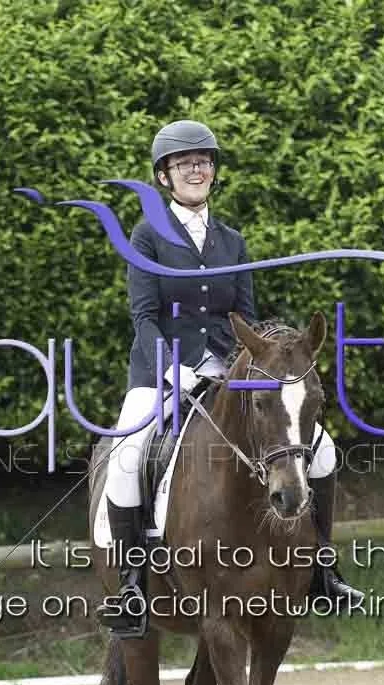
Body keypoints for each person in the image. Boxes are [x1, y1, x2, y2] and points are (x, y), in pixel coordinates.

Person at [96, 119, 363, 632]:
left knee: (323, 450)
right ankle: (131, 584)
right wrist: (172, 370)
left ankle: (322, 570)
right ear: (164, 177)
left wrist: (255, 359)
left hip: (227, 371)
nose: (196, 170)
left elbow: (245, 316)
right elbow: (144, 317)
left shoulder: (231, 241)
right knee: (128, 457)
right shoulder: (147, 236)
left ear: (214, 171)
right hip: (160, 375)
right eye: (184, 164)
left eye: (203, 162)